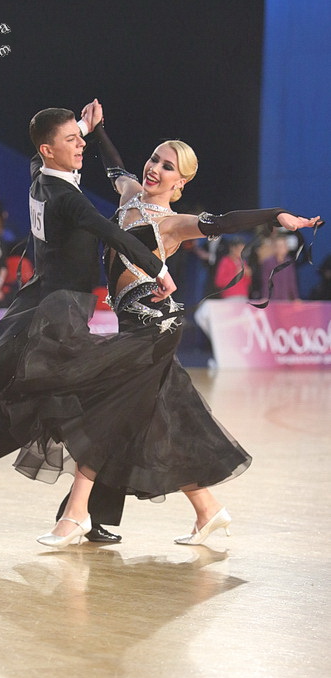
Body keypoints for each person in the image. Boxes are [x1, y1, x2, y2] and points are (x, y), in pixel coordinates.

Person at [22, 111, 321, 548]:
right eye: (154, 159)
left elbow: (226, 221)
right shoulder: (128, 195)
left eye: (167, 167)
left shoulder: (174, 223)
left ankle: (76, 515)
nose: (155, 169)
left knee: (103, 413)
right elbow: (114, 166)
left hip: (154, 330)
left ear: (180, 183)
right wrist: (97, 129)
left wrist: (276, 214)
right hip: (131, 327)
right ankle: (208, 510)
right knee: (163, 424)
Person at [0, 103, 176, 545]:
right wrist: (159, 270)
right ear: (48, 150)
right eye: (72, 141)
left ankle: (84, 512)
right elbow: (115, 235)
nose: (80, 146)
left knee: (64, 416)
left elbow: (52, 147)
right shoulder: (67, 199)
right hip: (53, 325)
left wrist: (84, 125)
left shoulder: (39, 175)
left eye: (79, 139)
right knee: (52, 416)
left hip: (40, 310)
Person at [260, 232, 299, 300]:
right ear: (274, 248)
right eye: (279, 246)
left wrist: (295, 298)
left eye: (283, 246)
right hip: (272, 299)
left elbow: (292, 282)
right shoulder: (268, 262)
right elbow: (266, 281)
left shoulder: (289, 263)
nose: (281, 248)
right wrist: (265, 297)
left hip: (285, 298)